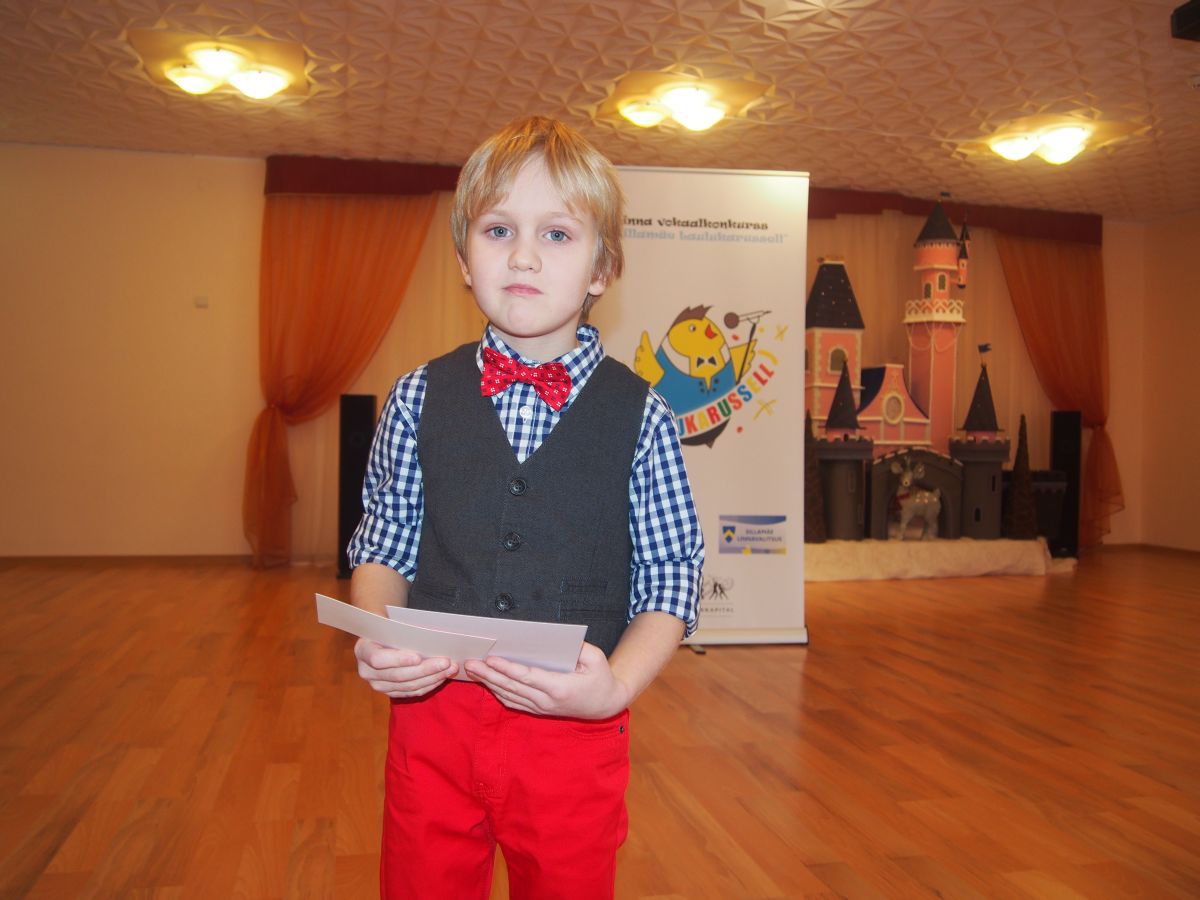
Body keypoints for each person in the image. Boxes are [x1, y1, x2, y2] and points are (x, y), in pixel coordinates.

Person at [347, 115, 704, 900]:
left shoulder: (643, 416)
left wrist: (615, 688)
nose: (524, 255)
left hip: (573, 731)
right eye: (499, 229)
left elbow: (672, 576)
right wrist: (377, 631)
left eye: (558, 234)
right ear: (463, 259)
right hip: (432, 726)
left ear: (603, 269)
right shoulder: (416, 397)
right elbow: (384, 542)